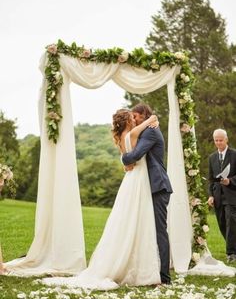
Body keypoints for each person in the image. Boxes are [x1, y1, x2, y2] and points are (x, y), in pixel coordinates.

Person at [42, 109, 161, 289]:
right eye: (132, 117)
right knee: (140, 218)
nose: (135, 120)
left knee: (127, 218)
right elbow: (140, 134)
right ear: (128, 121)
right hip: (138, 179)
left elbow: (125, 158)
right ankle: (142, 271)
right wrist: (152, 118)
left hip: (131, 179)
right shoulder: (132, 133)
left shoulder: (122, 137)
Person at [122, 103, 172, 284]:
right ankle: (149, 269)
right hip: (149, 186)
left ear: (144, 114)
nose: (134, 120)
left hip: (158, 186)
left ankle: (165, 277)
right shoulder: (146, 129)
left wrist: (123, 158)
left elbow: (135, 155)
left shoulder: (150, 132)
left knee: (160, 231)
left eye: (136, 116)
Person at [208, 128, 236, 263]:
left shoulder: (234, 155)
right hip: (218, 196)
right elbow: (211, 179)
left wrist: (230, 181)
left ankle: (231, 253)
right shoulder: (212, 157)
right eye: (216, 140)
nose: (218, 143)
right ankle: (233, 247)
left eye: (221, 140)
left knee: (231, 222)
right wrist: (210, 195)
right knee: (222, 223)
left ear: (226, 139)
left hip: (232, 195)